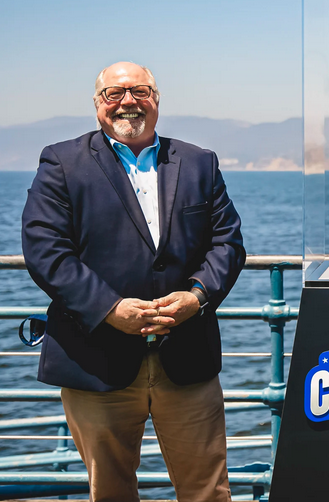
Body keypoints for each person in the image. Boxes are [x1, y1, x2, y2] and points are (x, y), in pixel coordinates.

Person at [22, 61, 245, 502]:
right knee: (111, 492)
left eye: (140, 91)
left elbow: (228, 243)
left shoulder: (200, 162)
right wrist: (109, 309)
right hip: (97, 359)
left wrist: (197, 296)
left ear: (156, 99)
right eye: (114, 93)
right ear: (97, 103)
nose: (128, 102)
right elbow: (45, 250)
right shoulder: (62, 162)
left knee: (208, 491)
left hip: (187, 360)